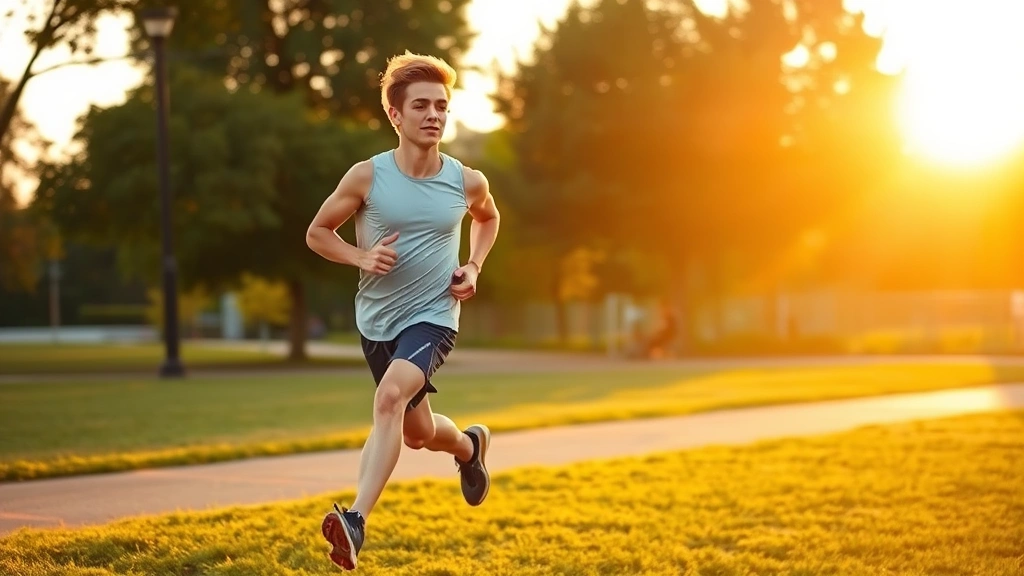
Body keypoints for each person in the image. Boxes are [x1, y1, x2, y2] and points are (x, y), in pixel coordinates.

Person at [305, 51, 501, 571]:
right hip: (376, 320)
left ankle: (355, 521)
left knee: (389, 398)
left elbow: (489, 218)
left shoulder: (466, 181)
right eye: (421, 105)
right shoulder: (368, 176)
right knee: (415, 434)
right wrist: (361, 255)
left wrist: (474, 267)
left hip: (434, 316)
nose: (434, 114)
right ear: (395, 115)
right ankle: (468, 447)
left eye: (442, 105)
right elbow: (317, 233)